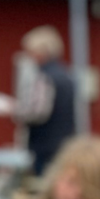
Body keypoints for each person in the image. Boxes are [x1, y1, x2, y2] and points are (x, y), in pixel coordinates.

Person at [16, 26, 77, 176]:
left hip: (44, 146)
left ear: (42, 52)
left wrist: (14, 110)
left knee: (43, 187)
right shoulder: (66, 75)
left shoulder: (43, 77)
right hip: (65, 143)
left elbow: (37, 113)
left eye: (31, 51)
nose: (29, 56)